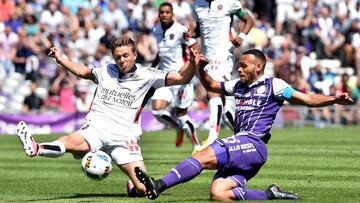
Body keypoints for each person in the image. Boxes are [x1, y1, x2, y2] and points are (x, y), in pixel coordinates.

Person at [134, 49, 354, 201]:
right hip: (243, 149)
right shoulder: (238, 85)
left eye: (243, 66)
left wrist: (334, 99)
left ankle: (159, 185)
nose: (239, 69)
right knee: (218, 193)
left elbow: (306, 99)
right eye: (238, 66)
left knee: (202, 156)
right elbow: (211, 84)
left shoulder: (274, 85)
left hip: (253, 143)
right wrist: (198, 67)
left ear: (259, 67)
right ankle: (269, 194)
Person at [16, 36, 205, 197]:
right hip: (96, 128)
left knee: (144, 189)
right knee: (70, 143)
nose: (122, 60)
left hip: (123, 138)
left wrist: (192, 63)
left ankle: (133, 186)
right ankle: (36, 147)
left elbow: (182, 78)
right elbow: (83, 71)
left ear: (134, 55)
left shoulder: (148, 75)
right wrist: (60, 59)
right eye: (118, 57)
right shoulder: (106, 71)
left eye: (125, 56)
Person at [192, 0, 254, 147]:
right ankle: (245, 135)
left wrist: (241, 37)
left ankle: (212, 138)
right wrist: (191, 34)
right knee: (223, 106)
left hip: (224, 53)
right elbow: (200, 29)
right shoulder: (198, 5)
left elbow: (249, 20)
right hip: (207, 54)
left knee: (212, 91)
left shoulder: (230, 2)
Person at [150, 2, 201, 152]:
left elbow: (194, 49)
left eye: (167, 12)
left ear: (172, 14)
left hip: (181, 77)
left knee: (182, 114)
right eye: (162, 12)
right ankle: (178, 127)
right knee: (157, 111)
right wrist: (151, 69)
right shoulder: (156, 29)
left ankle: (197, 147)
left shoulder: (180, 29)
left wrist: (188, 69)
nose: (164, 15)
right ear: (159, 14)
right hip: (165, 77)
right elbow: (161, 53)